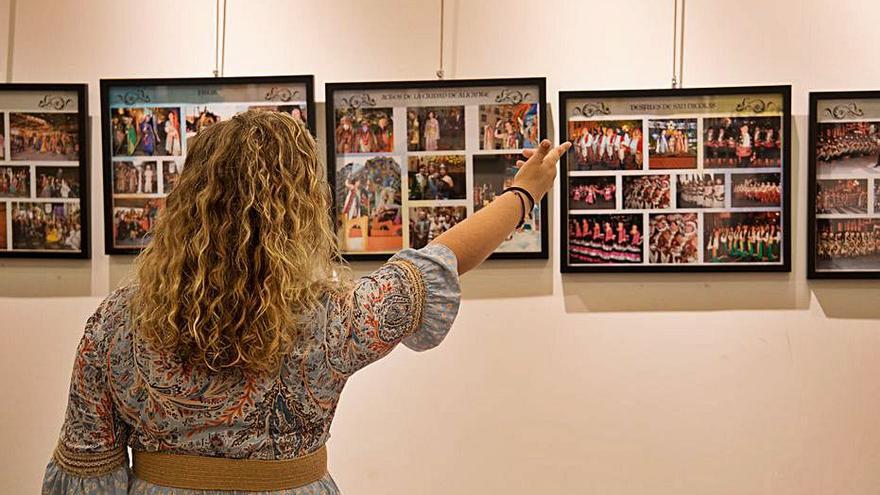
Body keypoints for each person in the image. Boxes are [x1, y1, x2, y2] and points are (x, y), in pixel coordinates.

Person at [42, 110, 569, 494]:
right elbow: (438, 262)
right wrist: (521, 194)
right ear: (301, 205)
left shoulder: (116, 321)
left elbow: (88, 469)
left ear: (188, 199)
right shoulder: (332, 316)